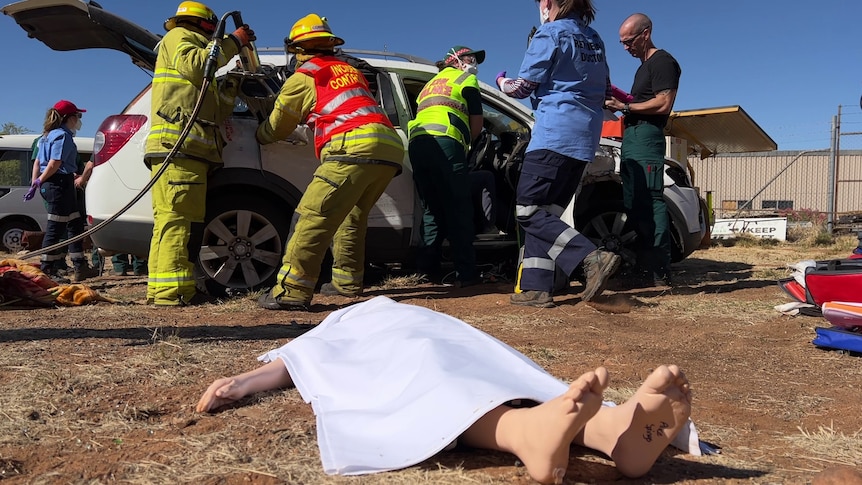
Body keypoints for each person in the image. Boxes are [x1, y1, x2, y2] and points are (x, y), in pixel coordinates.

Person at [197, 296, 694, 484]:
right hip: (401, 352)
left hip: (443, 339)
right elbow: (291, 363)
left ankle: (612, 430)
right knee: (434, 381)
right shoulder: (326, 329)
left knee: (495, 373)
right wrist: (240, 383)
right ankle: (527, 433)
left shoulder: (387, 305)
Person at [255, 14, 404, 310]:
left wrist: (260, 134)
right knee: (352, 215)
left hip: (352, 147)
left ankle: (291, 292)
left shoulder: (304, 76)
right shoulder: (349, 70)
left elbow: (279, 126)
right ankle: (347, 282)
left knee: (313, 216)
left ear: (297, 50)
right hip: (388, 149)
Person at [496, 0, 620, 307]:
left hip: (554, 134)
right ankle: (537, 288)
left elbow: (521, 88)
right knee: (547, 214)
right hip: (583, 140)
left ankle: (591, 257)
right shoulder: (594, 39)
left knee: (528, 211)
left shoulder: (550, 33)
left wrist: (501, 81)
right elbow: (605, 91)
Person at [144, 1, 255, 306]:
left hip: (188, 153)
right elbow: (197, 66)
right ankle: (175, 293)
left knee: (173, 222)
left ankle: (162, 290)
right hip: (178, 150)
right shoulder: (180, 37)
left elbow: (217, 108)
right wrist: (235, 42)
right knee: (179, 222)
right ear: (208, 25)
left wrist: (232, 83)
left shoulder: (198, 59)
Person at [604, 13, 681, 287]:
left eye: (629, 41)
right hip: (633, 138)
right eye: (622, 43)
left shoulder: (663, 62)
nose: (626, 48)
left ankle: (659, 271)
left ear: (645, 34)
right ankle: (645, 265)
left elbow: (662, 104)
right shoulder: (643, 68)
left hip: (647, 137)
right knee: (634, 203)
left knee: (650, 201)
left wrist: (624, 106)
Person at [407, 45, 486, 287]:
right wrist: (468, 147)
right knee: (458, 207)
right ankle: (466, 273)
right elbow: (477, 123)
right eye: (469, 58)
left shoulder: (428, 85)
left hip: (418, 145)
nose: (474, 63)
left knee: (431, 209)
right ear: (455, 60)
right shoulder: (465, 79)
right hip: (446, 144)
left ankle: (426, 271)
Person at [25, 100, 98, 282]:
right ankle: (48, 269)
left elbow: (37, 162)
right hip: (58, 184)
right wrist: (41, 180)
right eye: (78, 116)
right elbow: (55, 163)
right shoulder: (62, 136)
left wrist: (36, 182)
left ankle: (80, 265)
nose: (79, 120)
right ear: (69, 117)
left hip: (58, 182)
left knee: (74, 224)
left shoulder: (46, 136)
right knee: (55, 228)